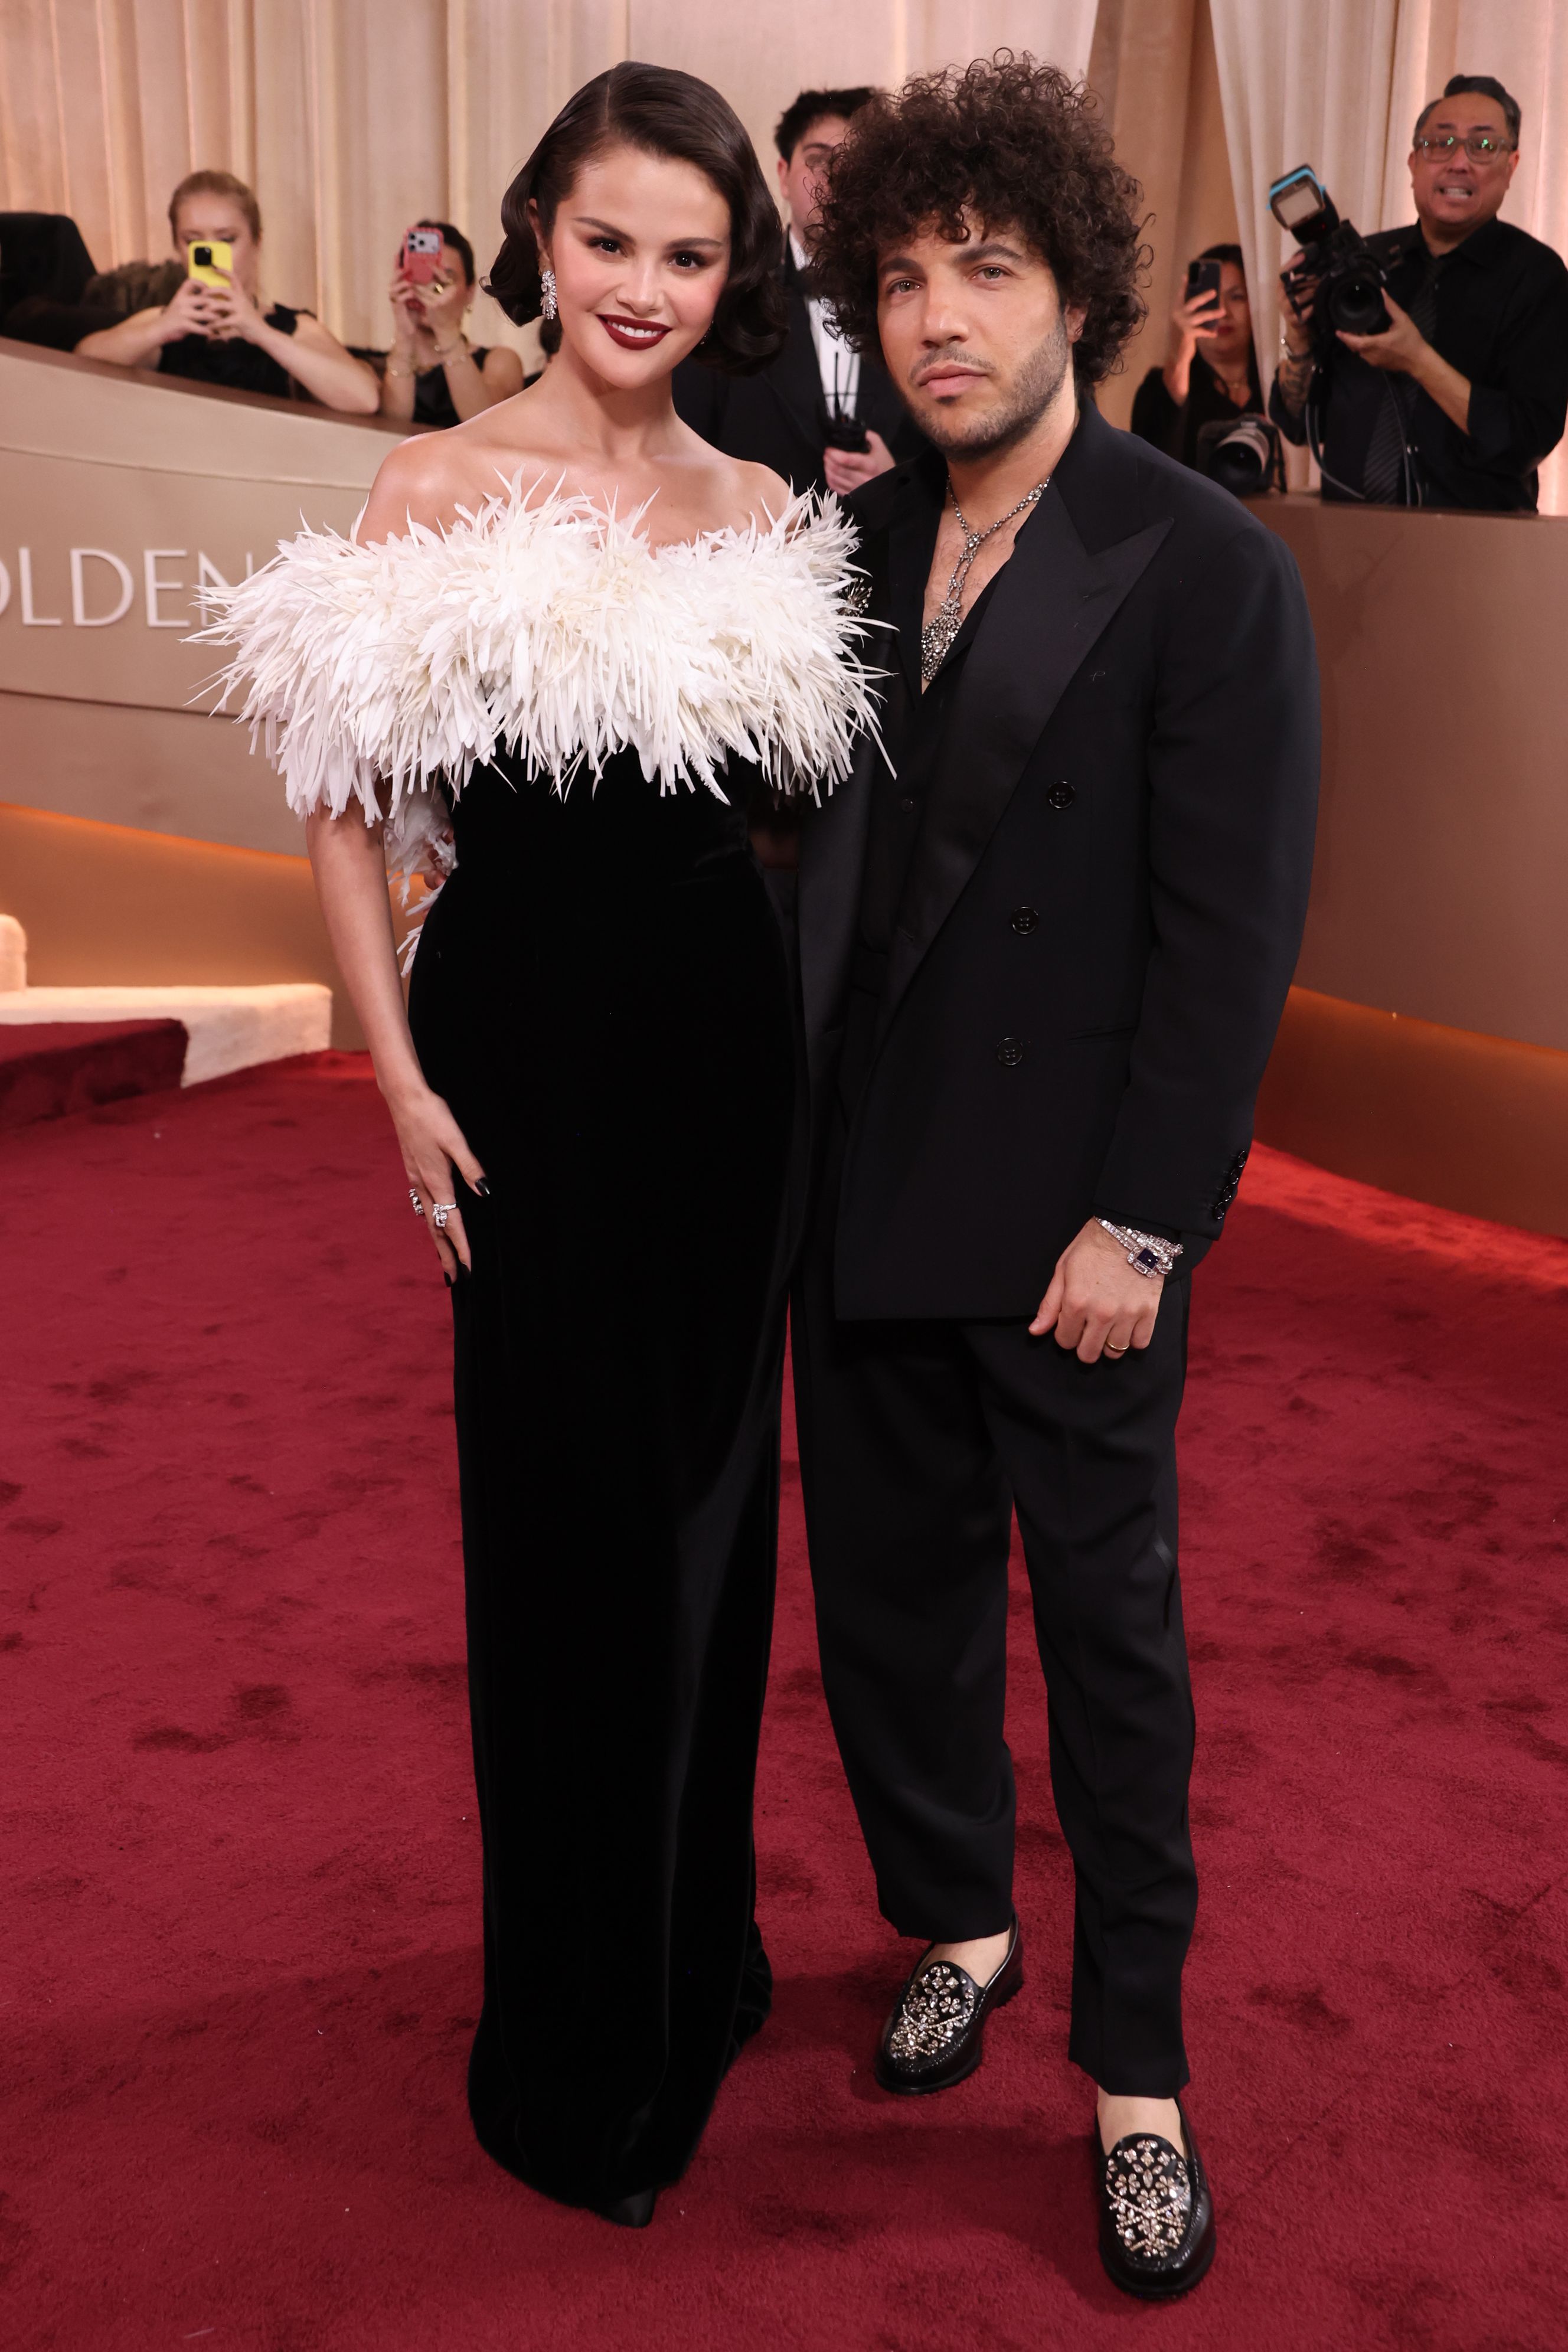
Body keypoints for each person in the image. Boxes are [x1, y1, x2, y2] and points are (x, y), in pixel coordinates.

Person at [201, 64, 875, 2227]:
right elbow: (335, 805)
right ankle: (573, 2022)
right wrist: (395, 1081)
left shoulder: (770, 513)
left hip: (718, 1064)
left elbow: (792, 831)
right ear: (535, 236)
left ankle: (690, 1959)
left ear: (731, 272)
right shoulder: (428, 486)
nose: (645, 290)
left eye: (691, 256)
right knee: (559, 1533)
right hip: (514, 1063)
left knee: (701, 1523)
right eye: (609, 243)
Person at [794, 55, 1319, 2298]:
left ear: (1072, 293)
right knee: (893, 1613)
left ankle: (1135, 2075)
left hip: (1074, 1229)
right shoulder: (844, 547)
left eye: (982, 272)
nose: (937, 316)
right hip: (861, 1190)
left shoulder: (1198, 563)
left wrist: (1145, 1218)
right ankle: (964, 1919)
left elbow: (1232, 926)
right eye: (902, 274)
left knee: (1109, 1645)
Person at [1272, 75, 1568, 509]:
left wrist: (1417, 359)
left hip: (1472, 547)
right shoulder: (1362, 266)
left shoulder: (1538, 276)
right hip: (1345, 539)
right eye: (1439, 144)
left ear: (1512, 166)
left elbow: (1525, 441)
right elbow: (1298, 425)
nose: (1458, 162)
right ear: (1413, 163)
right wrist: (1298, 343)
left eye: (1483, 147)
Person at [672, 87, 926, 496]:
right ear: (783, 174)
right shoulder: (728, 292)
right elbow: (683, 447)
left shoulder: (915, 296)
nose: (838, 179)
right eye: (820, 160)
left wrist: (896, 482)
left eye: (856, 163)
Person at [74, 170, 378, 413]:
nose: (212, 254)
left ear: (257, 242)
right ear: (178, 248)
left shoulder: (290, 327)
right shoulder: (165, 321)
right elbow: (79, 366)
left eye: (227, 239)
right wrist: (160, 330)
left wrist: (261, 333)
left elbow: (365, 399)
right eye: (194, 242)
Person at [379, 219, 524, 425]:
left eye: (444, 281)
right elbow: (388, 430)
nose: (431, 290)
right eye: (422, 276)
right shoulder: (385, 366)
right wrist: (404, 334)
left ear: (469, 292)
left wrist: (446, 329)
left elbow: (483, 423)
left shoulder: (500, 361)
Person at [1131, 244, 1262, 468]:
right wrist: (1179, 359)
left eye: (1237, 297)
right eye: (1211, 299)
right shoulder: (1160, 388)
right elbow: (1152, 473)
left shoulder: (1274, 386)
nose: (1222, 312)